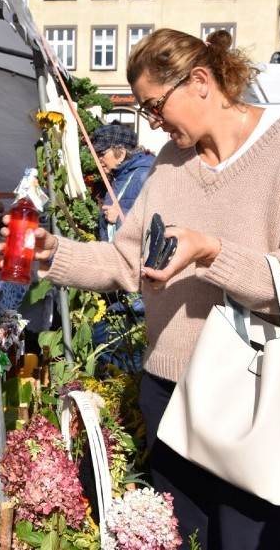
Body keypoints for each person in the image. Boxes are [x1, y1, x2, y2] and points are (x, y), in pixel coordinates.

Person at [2, 29, 280, 548]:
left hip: (253, 396)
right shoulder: (171, 161)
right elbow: (127, 261)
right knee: (179, 538)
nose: (152, 122)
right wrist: (56, 254)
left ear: (201, 81)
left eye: (155, 106)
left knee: (243, 540)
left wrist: (214, 253)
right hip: (167, 392)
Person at [90, 123, 154, 373]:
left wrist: (121, 216)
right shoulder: (124, 175)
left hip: (136, 282)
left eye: (102, 153)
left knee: (129, 353)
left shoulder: (144, 174)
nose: (98, 160)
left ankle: (127, 404)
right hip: (120, 278)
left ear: (120, 152)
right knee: (110, 345)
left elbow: (157, 224)